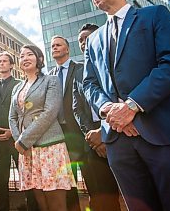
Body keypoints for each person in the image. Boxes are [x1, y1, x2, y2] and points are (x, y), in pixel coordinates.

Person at [83, 0, 170, 211]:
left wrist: (132, 106)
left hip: (160, 130)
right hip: (117, 138)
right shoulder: (94, 40)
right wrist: (110, 110)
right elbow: (89, 83)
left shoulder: (153, 16)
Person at [9, 44, 76, 211]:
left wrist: (24, 139)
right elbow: (12, 117)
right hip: (27, 150)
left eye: (29, 54)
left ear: (39, 59)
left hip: (49, 147)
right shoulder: (17, 88)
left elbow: (50, 112)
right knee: (41, 203)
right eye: (22, 56)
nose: (25, 58)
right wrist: (20, 141)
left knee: (56, 203)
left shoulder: (51, 81)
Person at [72, 23, 122, 211]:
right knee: (99, 195)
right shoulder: (78, 72)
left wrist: (104, 132)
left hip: (118, 133)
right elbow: (77, 109)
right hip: (92, 142)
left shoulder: (113, 63)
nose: (84, 43)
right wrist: (94, 137)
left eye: (88, 38)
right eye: (81, 41)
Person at [0, 51, 38, 211]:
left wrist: (13, 131)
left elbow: (24, 111)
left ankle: (32, 207)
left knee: (26, 177)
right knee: (0, 181)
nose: (2, 63)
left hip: (17, 139)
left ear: (11, 65)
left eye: (5, 61)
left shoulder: (20, 84)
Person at [48, 35, 84, 211]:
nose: (54, 47)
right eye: (52, 46)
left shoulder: (80, 69)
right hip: (59, 133)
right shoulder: (49, 76)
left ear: (67, 49)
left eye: (58, 45)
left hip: (79, 131)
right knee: (67, 180)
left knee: (90, 176)